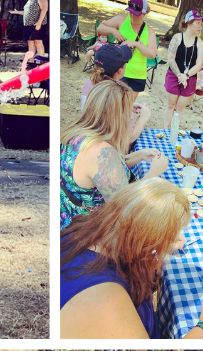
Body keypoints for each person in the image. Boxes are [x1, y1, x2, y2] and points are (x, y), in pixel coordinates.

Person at [60, 179, 203, 339]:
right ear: (147, 240)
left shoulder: (89, 228)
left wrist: (160, 244)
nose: (178, 237)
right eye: (170, 235)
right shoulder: (105, 299)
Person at [59, 79, 166, 230]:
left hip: (69, 216)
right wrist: (154, 173)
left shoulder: (77, 132)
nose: (131, 116)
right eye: (129, 111)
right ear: (117, 118)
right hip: (86, 231)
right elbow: (126, 207)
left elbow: (102, 175)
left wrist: (138, 156)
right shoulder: (100, 152)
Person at [157, 8, 203, 135]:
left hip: (190, 78)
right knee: (171, 106)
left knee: (180, 108)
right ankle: (165, 131)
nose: (200, 26)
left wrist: (186, 75)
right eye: (198, 23)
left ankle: (174, 132)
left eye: (201, 23)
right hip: (174, 75)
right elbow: (171, 59)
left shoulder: (199, 43)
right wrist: (179, 74)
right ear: (189, 23)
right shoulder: (177, 38)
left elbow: (199, 64)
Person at [96, 0, 156, 99]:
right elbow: (100, 28)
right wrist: (113, 31)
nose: (132, 15)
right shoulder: (121, 20)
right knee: (114, 104)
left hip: (138, 75)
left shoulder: (149, 31)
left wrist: (136, 44)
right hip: (118, 72)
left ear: (144, 13)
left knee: (128, 107)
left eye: (136, 14)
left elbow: (152, 54)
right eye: (131, 12)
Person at [79, 41, 131, 112]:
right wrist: (142, 119)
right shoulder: (116, 93)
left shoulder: (89, 82)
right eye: (126, 62)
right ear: (120, 71)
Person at [20, 0, 47, 72]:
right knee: (31, 44)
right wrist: (16, 12)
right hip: (28, 25)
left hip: (37, 24)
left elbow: (44, 9)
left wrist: (39, 23)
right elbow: (27, 12)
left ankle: (41, 62)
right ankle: (31, 62)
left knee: (38, 43)